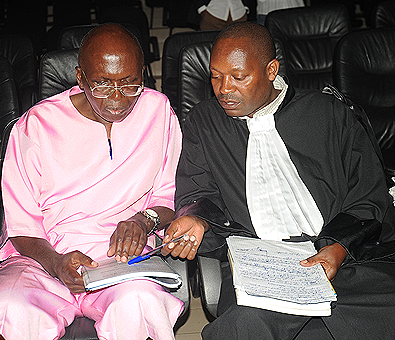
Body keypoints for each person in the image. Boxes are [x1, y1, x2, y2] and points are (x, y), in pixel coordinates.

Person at [161, 21, 395, 339]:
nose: (224, 89)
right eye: (215, 76)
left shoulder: (329, 114)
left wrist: (337, 248)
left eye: (238, 77)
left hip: (341, 261)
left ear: (271, 70)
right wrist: (196, 220)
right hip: (261, 271)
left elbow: (368, 195)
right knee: (243, 328)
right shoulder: (205, 121)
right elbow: (198, 192)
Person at [0, 23, 183, 340]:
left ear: (143, 74)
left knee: (141, 302)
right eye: (102, 84)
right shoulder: (37, 125)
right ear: (80, 78)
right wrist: (56, 263)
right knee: (5, 309)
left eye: (130, 84)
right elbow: (21, 227)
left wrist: (144, 221)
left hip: (119, 264)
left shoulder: (158, 111)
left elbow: (166, 199)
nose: (118, 98)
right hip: (42, 261)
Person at [190, 0, 255, 31]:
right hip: (213, 13)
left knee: (237, 47)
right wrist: (202, 9)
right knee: (210, 46)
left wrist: (246, 7)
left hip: (238, 13)